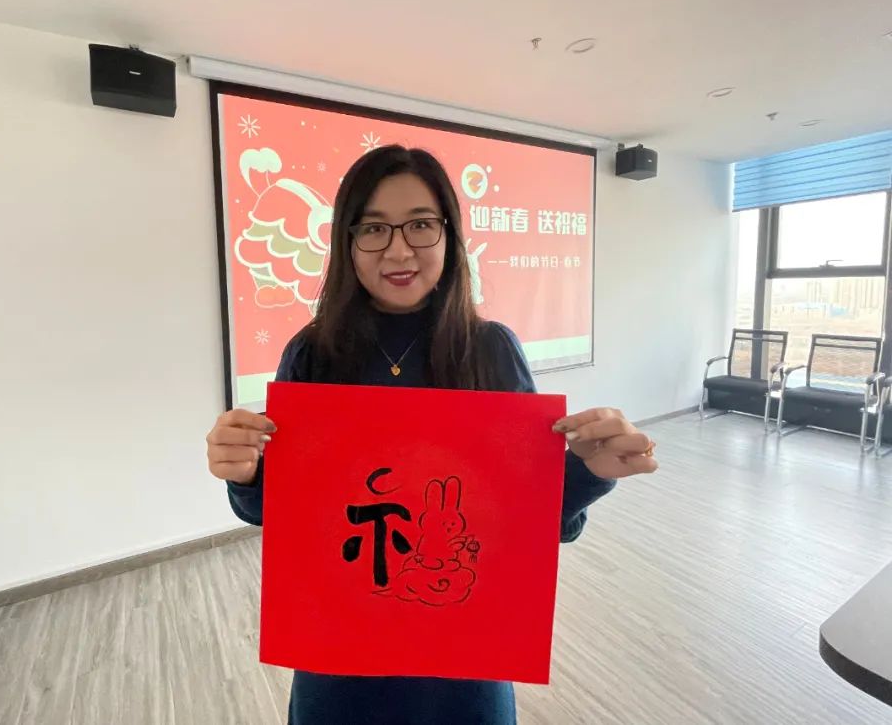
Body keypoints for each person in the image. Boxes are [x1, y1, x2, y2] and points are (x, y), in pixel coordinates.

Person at [205, 145, 658, 725]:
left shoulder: (490, 350)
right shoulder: (314, 353)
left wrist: (590, 472)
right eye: (374, 228)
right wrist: (245, 474)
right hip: (339, 656)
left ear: (449, 235)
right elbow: (277, 514)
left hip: (465, 663)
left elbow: (536, 524)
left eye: (420, 224)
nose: (399, 250)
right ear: (347, 243)